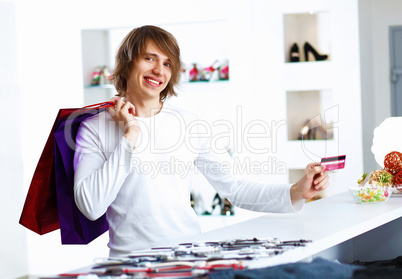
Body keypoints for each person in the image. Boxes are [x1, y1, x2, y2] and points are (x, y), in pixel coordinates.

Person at [73, 25, 329, 258]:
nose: (158, 70)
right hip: (129, 264)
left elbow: (235, 188)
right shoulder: (95, 128)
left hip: (188, 257)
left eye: (168, 63)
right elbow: (91, 206)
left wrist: (296, 191)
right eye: (149, 58)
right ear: (127, 63)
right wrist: (130, 136)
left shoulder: (189, 124)